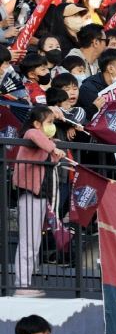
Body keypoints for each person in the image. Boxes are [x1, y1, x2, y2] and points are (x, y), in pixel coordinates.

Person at [13, 106, 66, 297]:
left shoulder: (44, 142)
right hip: (30, 194)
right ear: (37, 123)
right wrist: (53, 147)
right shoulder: (32, 132)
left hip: (40, 195)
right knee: (28, 241)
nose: (52, 126)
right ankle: (22, 285)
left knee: (34, 242)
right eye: (49, 123)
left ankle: (26, 284)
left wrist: (52, 147)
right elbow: (35, 135)